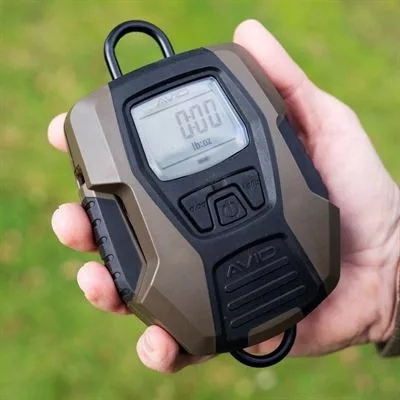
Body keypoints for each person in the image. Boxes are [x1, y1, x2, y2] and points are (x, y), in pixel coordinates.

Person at [48, 20, 400, 373]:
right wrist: (386, 294)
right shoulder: (221, 66)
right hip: (255, 290)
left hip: (316, 270)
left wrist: (389, 275)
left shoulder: (228, 66)